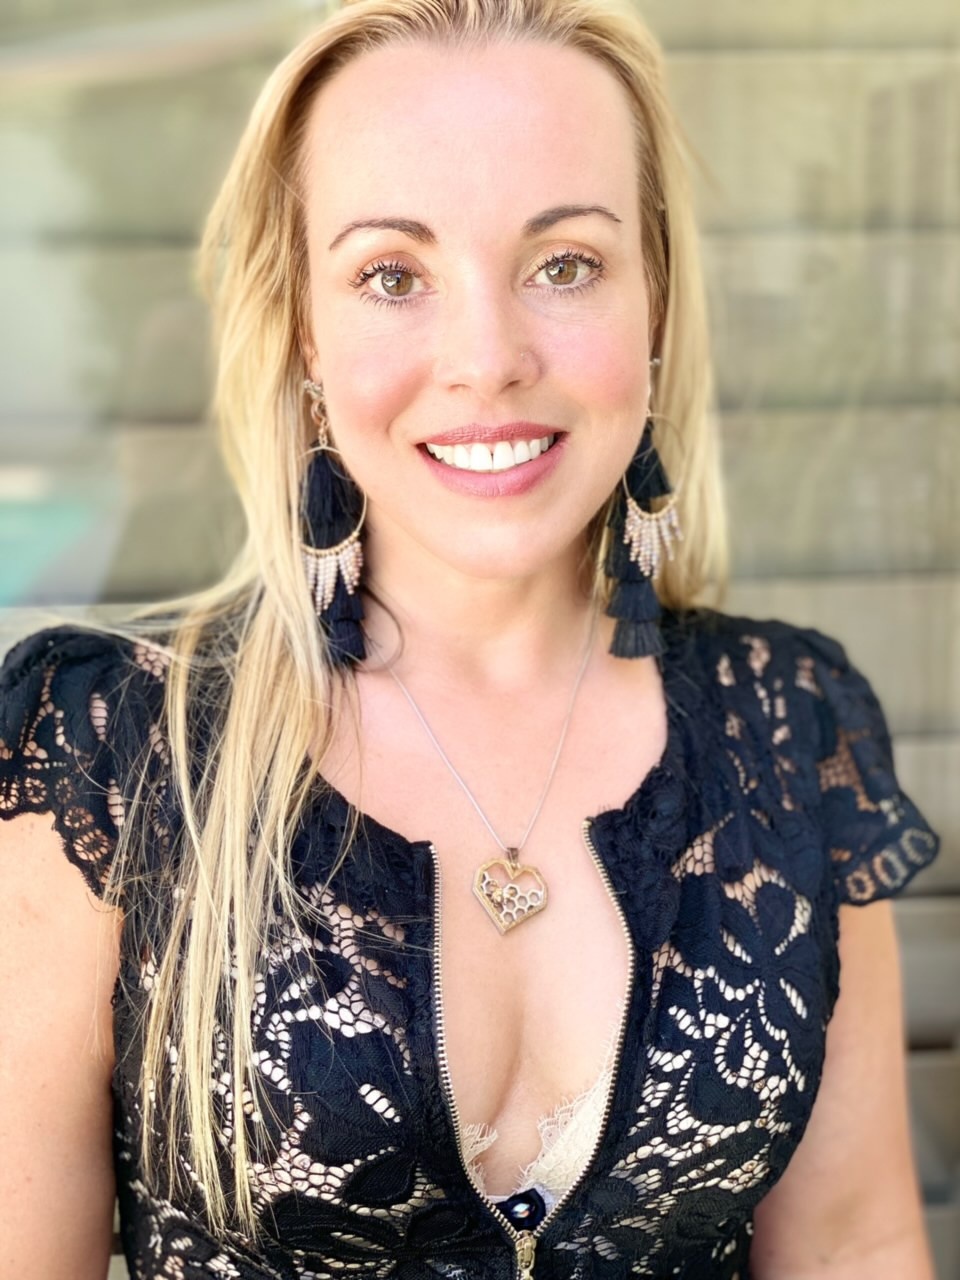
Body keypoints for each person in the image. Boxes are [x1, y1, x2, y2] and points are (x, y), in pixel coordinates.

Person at [0, 0, 943, 1276]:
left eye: (566, 264)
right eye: (393, 275)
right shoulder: (111, 750)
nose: (487, 358)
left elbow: (852, 1244)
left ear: (656, 304)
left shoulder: (789, 724)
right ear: (307, 331)